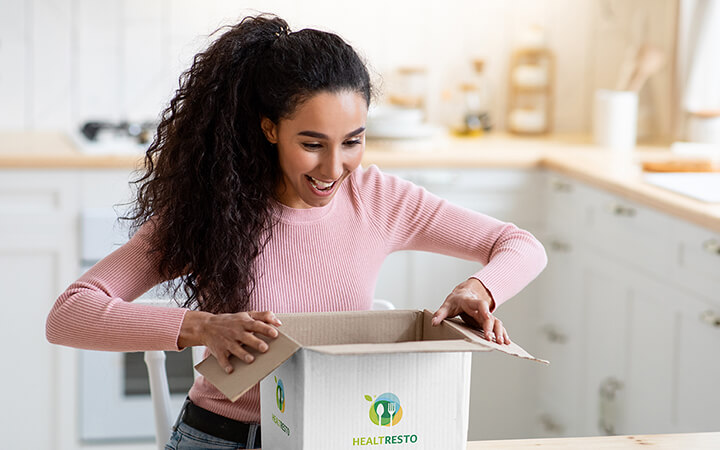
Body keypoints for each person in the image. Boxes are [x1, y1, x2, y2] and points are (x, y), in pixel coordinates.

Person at [46, 14, 547, 450]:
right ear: (270, 129)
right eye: (312, 143)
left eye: (353, 141)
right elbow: (68, 313)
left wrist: (478, 287)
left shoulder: (380, 199)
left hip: (343, 432)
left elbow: (520, 245)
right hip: (225, 434)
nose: (334, 167)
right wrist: (200, 327)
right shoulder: (215, 209)